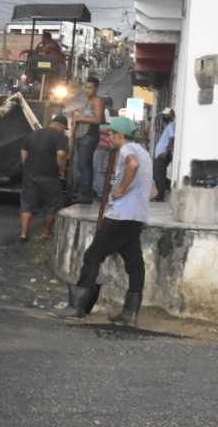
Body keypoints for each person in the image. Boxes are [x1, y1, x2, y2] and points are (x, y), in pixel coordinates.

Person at [57, 116, 153, 325]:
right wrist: (133, 192)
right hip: (137, 216)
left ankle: (77, 306)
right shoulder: (145, 153)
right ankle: (130, 313)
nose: (108, 138)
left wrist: (121, 189)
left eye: (110, 134)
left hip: (119, 215)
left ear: (120, 135)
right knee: (134, 263)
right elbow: (152, 190)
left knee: (93, 255)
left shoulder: (128, 151)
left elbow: (132, 165)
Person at [19, 114, 70, 241]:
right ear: (62, 126)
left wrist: (27, 165)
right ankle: (46, 233)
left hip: (30, 175)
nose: (64, 130)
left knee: (27, 204)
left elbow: (24, 152)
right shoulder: (60, 136)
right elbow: (61, 154)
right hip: (50, 176)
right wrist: (62, 170)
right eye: (64, 128)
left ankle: (23, 234)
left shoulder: (34, 133)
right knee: (53, 204)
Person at [67, 77, 106, 203]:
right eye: (86, 87)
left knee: (84, 164)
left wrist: (80, 118)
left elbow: (98, 120)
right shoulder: (86, 101)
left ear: (96, 88)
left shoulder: (97, 100)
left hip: (89, 135)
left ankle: (86, 193)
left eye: (90, 87)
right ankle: (82, 191)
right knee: (81, 164)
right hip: (81, 135)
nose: (87, 90)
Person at [91, 96, 115, 199]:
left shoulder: (105, 111)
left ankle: (100, 193)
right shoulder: (116, 112)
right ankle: (106, 190)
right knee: (106, 170)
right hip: (111, 146)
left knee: (99, 170)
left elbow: (102, 125)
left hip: (101, 146)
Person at [153, 107, 175, 202]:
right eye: (164, 115)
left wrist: (166, 151)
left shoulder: (171, 125)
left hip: (163, 154)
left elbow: (171, 138)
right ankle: (168, 187)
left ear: (171, 115)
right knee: (158, 174)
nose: (164, 116)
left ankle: (160, 196)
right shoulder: (169, 126)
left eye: (166, 115)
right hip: (161, 154)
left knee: (158, 175)